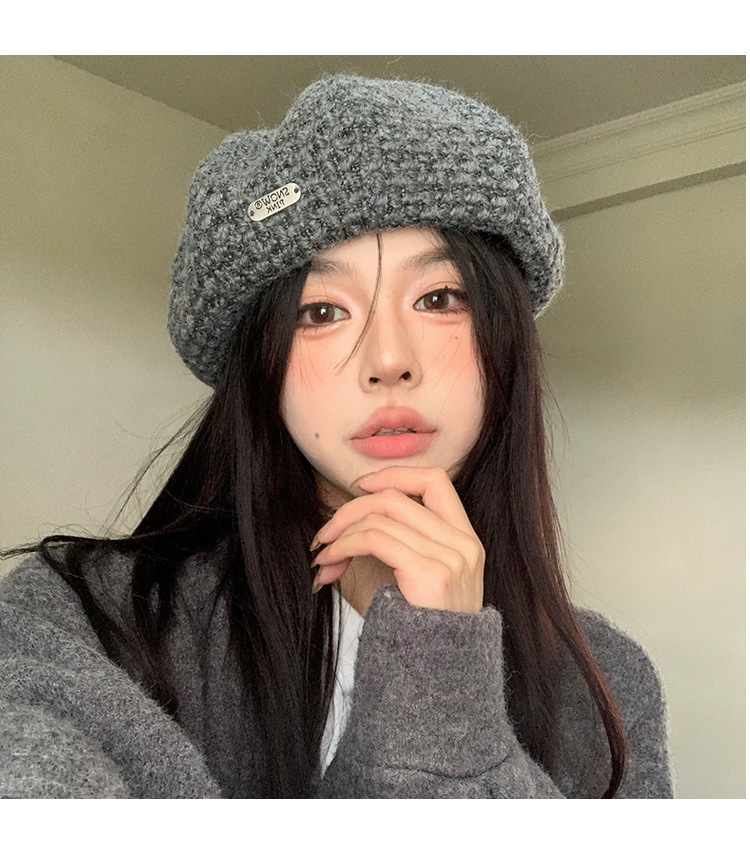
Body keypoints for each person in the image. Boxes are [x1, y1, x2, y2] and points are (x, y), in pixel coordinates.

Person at [0, 72, 674, 799]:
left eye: (439, 297)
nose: (388, 360)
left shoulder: (607, 686)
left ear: (502, 337)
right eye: (321, 312)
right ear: (261, 366)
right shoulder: (78, 622)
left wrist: (442, 672)